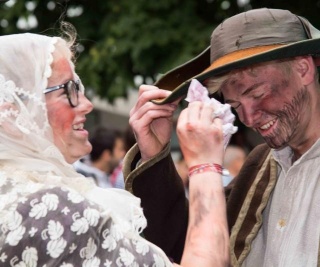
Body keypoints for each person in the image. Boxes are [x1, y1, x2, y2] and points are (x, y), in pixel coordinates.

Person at [0, 29, 229, 266]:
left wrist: (155, 156)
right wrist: (205, 166)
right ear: (12, 115)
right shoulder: (49, 209)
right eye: (68, 90)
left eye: (79, 87)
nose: (87, 105)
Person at [123, 8, 320, 267]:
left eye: (258, 94)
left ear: (303, 68)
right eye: (236, 106)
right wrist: (155, 154)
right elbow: (194, 245)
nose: (248, 119)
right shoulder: (259, 165)